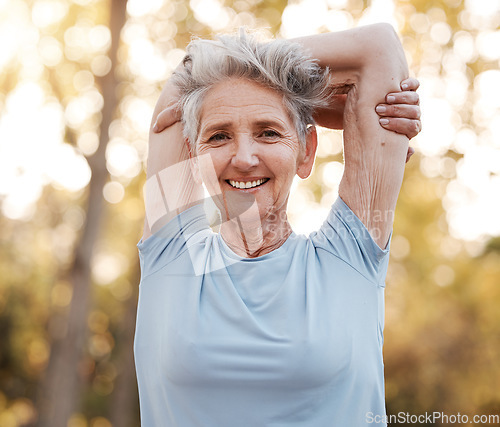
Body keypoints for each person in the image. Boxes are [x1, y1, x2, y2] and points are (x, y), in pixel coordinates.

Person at [135, 24, 421, 426]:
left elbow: (376, 47)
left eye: (268, 132)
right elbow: (179, 85)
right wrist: (262, 79)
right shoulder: (171, 253)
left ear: (306, 151)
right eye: (218, 137)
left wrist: (250, 72)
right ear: (192, 155)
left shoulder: (350, 253)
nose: (244, 157)